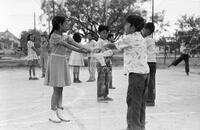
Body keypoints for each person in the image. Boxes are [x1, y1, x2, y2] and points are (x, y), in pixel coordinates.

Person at [44, 16, 89, 123]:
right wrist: (82, 51)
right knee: (56, 89)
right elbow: (69, 46)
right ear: (60, 25)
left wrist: (89, 49)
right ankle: (52, 112)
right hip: (55, 61)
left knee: (61, 88)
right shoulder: (55, 37)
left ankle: (59, 110)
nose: (67, 26)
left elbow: (76, 44)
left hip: (62, 61)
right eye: (66, 24)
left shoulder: (66, 36)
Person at [114, 15, 148, 130]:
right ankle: (140, 126)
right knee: (140, 104)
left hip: (136, 75)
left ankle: (133, 128)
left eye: (126, 24)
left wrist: (102, 47)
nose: (124, 26)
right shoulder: (141, 37)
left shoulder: (129, 38)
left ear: (132, 27)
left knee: (133, 103)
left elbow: (114, 46)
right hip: (144, 74)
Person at [95, 25, 113, 102]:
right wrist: (103, 64)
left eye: (106, 33)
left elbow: (110, 51)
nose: (105, 34)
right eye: (103, 33)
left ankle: (105, 95)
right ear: (99, 33)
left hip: (107, 62)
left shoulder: (107, 42)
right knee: (101, 79)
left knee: (107, 79)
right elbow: (98, 54)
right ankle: (100, 96)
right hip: (101, 63)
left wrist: (111, 53)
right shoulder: (99, 42)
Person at [141, 22, 157, 106]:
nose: (142, 31)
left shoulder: (147, 40)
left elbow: (141, 49)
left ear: (147, 30)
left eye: (143, 30)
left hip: (149, 62)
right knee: (151, 81)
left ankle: (150, 100)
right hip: (152, 62)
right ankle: (151, 98)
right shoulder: (151, 39)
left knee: (149, 81)